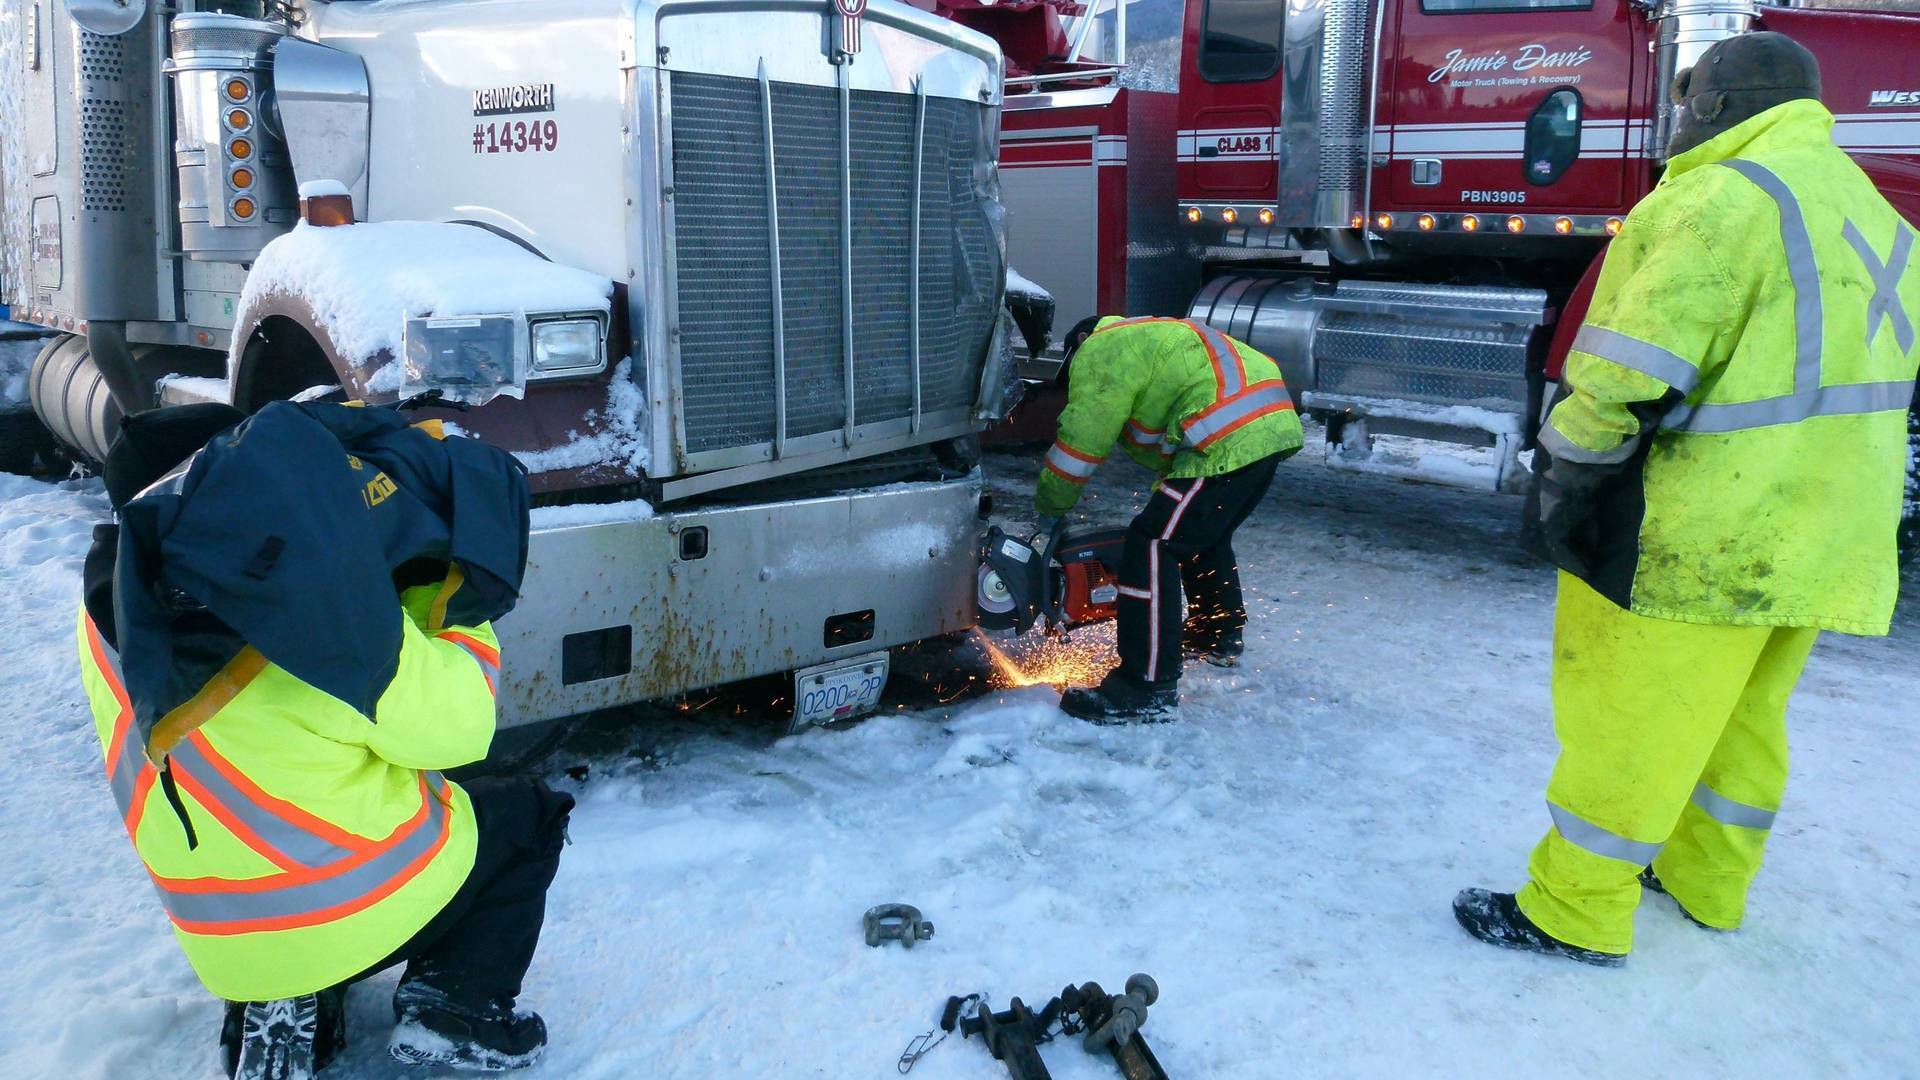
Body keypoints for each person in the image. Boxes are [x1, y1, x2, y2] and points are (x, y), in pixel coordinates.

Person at [1455, 33, 1920, 965]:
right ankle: (1708, 882)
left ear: (1711, 107)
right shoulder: (1873, 210)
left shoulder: (1721, 198)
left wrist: (1567, 475)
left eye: (1687, 102)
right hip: (1829, 527)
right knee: (1743, 716)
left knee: (1630, 711)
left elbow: (1629, 370)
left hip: (1703, 525)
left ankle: (1575, 909)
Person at [78, 403, 572, 1077]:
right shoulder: (319, 614)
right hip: (354, 906)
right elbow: (460, 729)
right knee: (527, 815)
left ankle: (279, 995)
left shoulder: (110, 611)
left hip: (219, 935)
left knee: (287, 797)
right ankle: (456, 1008)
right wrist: (451, 610)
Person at [1036, 315, 1304, 722]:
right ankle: (1216, 637)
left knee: (1152, 543)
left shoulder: (1101, 349)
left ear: (1080, 339)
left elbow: (1082, 441)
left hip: (1226, 433)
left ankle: (1144, 687)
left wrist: (1050, 507)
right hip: (1268, 424)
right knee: (1198, 536)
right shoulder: (1150, 334)